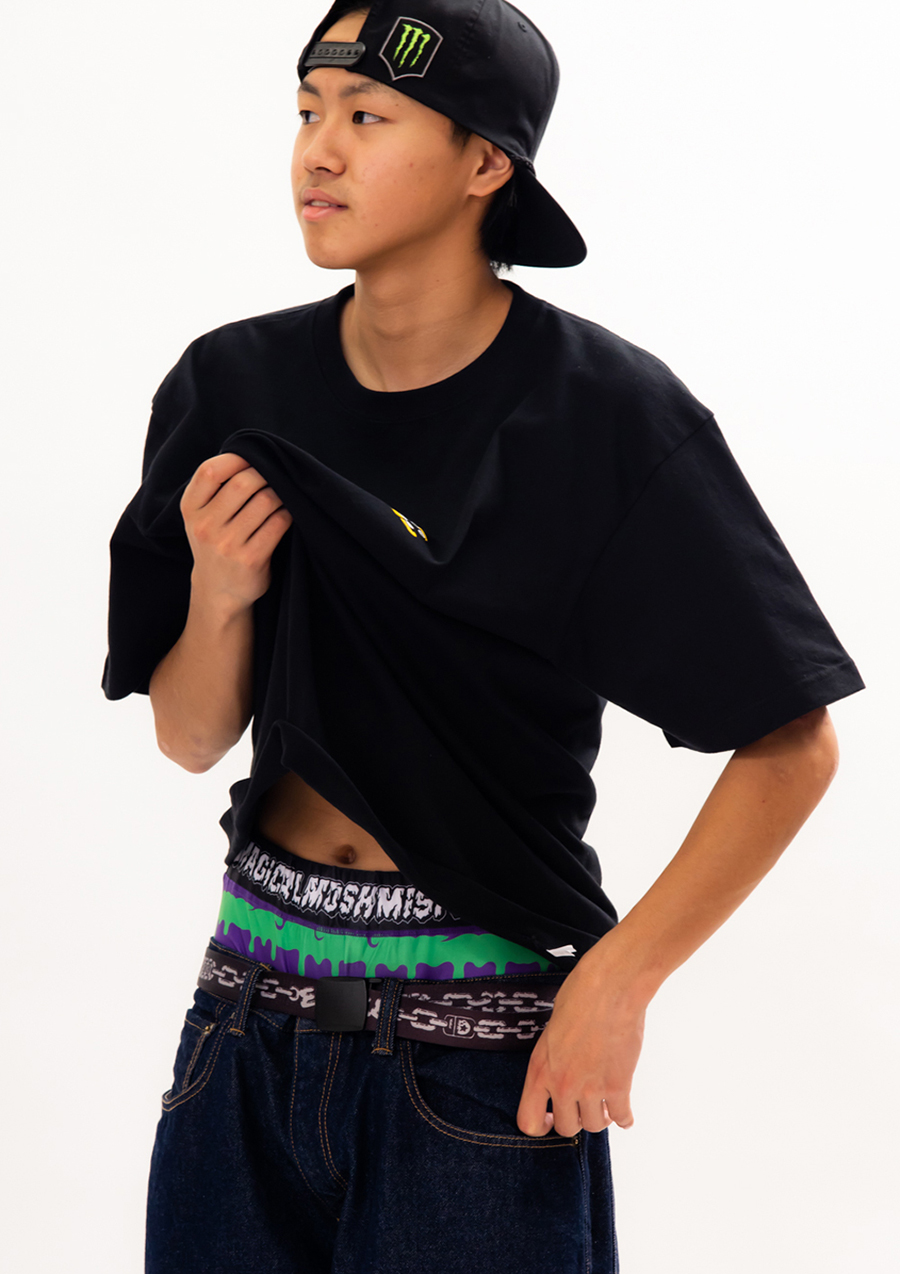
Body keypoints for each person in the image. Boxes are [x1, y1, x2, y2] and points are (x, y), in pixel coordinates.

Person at [101, 1, 865, 1270]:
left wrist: (618, 980)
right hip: (242, 1028)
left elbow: (792, 743)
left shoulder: (603, 414)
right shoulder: (231, 386)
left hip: (475, 1068)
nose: (317, 150)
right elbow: (190, 736)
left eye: (368, 116)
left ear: (485, 163)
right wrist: (222, 591)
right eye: (307, 111)